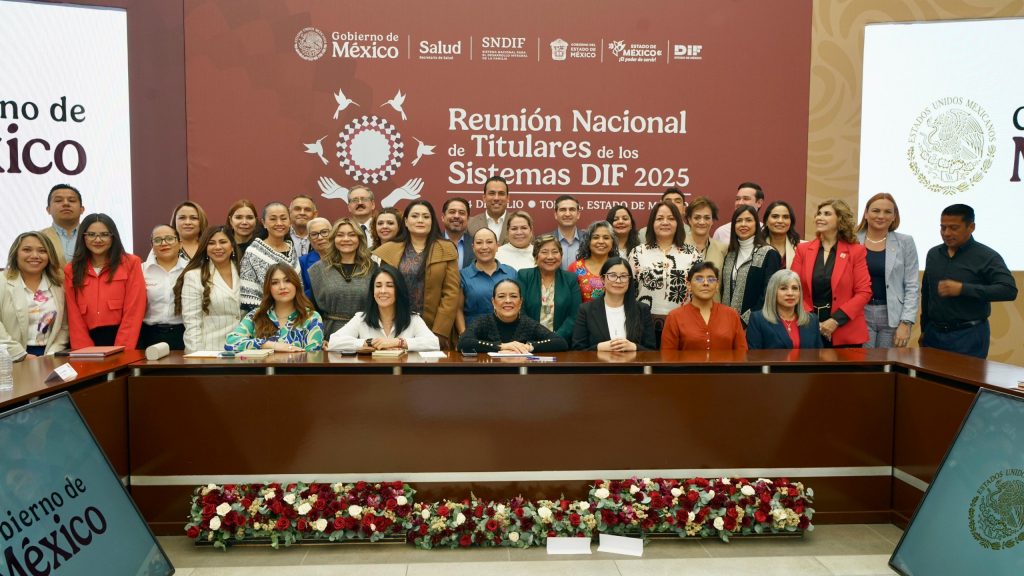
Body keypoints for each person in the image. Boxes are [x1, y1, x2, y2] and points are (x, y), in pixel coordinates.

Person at [920, 204, 1017, 359]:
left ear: (971, 227)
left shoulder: (987, 256)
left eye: (953, 228)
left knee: (963, 376)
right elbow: (927, 293)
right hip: (933, 334)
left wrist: (963, 289)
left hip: (969, 336)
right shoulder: (933, 254)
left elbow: (1009, 290)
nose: (946, 233)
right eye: (943, 228)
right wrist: (924, 329)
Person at [374, 200, 460, 348]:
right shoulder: (390, 249)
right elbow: (384, 289)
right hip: (397, 325)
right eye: (415, 216)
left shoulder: (446, 248)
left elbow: (451, 293)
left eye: (426, 216)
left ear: (432, 222)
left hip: (434, 327)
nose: (420, 220)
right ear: (406, 222)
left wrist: (439, 331)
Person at [792, 199, 871, 348]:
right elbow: (793, 288)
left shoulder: (856, 251)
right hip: (809, 326)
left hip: (845, 329)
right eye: (819, 213)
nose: (819, 217)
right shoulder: (803, 250)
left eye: (827, 214)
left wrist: (835, 320)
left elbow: (864, 292)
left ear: (840, 219)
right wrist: (813, 321)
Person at [64, 213, 146, 349]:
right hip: (87, 340)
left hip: (125, 338)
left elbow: (134, 309)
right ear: (83, 237)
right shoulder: (71, 269)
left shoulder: (131, 263)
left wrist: (123, 349)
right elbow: (73, 315)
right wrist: (85, 351)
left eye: (104, 234)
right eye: (91, 235)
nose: (98, 240)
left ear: (113, 237)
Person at [629, 201, 700, 343]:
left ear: (678, 223)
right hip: (643, 324)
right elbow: (630, 289)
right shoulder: (638, 252)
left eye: (671, 218)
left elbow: (698, 291)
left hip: (683, 324)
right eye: (660, 218)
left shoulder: (692, 253)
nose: (665, 222)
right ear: (652, 223)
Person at [326, 264, 440, 352]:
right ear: (373, 291)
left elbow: (434, 343)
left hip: (403, 373)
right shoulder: (361, 318)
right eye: (378, 286)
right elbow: (334, 342)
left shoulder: (413, 319)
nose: (383, 291)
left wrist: (397, 342)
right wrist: (368, 343)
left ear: (399, 290)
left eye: (389, 286)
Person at [855, 193, 919, 348]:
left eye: (887, 212)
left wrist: (906, 322)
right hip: (859, 314)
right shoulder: (852, 239)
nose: (881, 216)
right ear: (866, 213)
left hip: (893, 317)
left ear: (894, 216)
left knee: (887, 362)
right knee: (862, 361)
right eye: (876, 211)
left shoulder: (905, 242)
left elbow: (912, 286)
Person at [225, 263, 324, 352]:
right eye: (275, 283)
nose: (282, 287)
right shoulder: (256, 315)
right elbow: (231, 342)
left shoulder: (311, 318)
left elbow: (313, 356)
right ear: (269, 288)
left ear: (296, 284)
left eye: (287, 281)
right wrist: (270, 345)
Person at [0, 232, 69, 360]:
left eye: (42, 251)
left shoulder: (59, 285)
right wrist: (21, 355)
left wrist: (50, 355)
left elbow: (64, 327)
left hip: (49, 356)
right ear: (15, 253)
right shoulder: (2, 282)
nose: (35, 256)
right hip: (8, 357)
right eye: (27, 250)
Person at [175, 226, 241, 353]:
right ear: (205, 247)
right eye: (211, 243)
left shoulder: (244, 272)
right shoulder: (194, 276)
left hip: (244, 351)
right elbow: (192, 323)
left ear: (232, 246)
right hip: (210, 351)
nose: (217, 247)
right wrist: (197, 356)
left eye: (223, 242)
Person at [307, 218, 378, 335]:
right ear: (333, 239)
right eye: (340, 235)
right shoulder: (318, 269)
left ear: (359, 239)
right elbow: (313, 310)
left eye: (352, 235)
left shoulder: (372, 268)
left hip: (364, 332)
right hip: (329, 334)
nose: (346, 239)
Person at [458, 279, 568, 353]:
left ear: (520, 302)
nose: (508, 301)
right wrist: (501, 346)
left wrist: (528, 347)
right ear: (493, 302)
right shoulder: (482, 322)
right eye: (501, 296)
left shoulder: (528, 324)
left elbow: (560, 342)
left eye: (513, 296)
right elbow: (463, 342)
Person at [571, 257, 656, 351]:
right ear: (602, 279)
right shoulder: (586, 310)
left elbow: (651, 351)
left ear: (629, 280)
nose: (618, 281)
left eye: (623, 276)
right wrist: (598, 348)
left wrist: (634, 347)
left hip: (633, 361)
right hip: (598, 360)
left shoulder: (642, 309)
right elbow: (577, 350)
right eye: (612, 275)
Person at [661, 262, 747, 351]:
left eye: (711, 279)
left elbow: (742, 353)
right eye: (699, 279)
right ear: (689, 285)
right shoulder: (675, 317)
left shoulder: (731, 315)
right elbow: (668, 356)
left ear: (717, 285)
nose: (706, 283)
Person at [720, 206, 782, 325]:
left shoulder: (769, 253)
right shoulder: (730, 254)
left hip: (756, 324)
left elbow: (770, 293)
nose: (743, 224)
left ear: (756, 224)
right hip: (726, 323)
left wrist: (745, 321)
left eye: (748, 220)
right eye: (739, 221)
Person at [517, 235, 581, 343]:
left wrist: (554, 339)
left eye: (555, 252)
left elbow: (574, 315)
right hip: (529, 342)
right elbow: (520, 311)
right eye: (544, 252)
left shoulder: (570, 279)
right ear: (536, 256)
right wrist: (536, 338)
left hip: (561, 342)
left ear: (561, 255)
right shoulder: (524, 276)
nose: (550, 257)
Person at [239, 202, 300, 311]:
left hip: (294, 313)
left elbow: (299, 286)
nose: (279, 223)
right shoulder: (253, 252)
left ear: (290, 221)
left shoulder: (291, 249)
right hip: (264, 315)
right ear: (264, 223)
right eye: (273, 219)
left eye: (283, 218)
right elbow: (249, 294)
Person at [457, 227, 517, 334]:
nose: (484, 247)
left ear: (497, 246)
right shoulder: (463, 276)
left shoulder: (511, 273)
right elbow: (458, 310)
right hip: (475, 335)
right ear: (473, 247)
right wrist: (464, 335)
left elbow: (519, 306)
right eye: (479, 243)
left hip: (508, 334)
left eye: (489, 242)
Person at [746, 269, 823, 350]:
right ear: (773, 292)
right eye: (783, 288)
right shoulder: (758, 319)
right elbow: (754, 355)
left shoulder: (812, 320)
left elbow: (818, 354)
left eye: (795, 288)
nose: (790, 293)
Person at [139, 225, 187, 350]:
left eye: (169, 238)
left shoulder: (191, 270)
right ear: (152, 246)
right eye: (157, 240)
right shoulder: (141, 270)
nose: (164, 243)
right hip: (149, 334)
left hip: (182, 334)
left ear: (180, 244)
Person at [568, 220, 619, 303]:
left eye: (606, 238)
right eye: (596, 237)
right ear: (588, 242)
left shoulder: (620, 267)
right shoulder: (575, 268)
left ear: (612, 242)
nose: (601, 241)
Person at [41, 183, 84, 267]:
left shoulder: (94, 236)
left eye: (72, 200)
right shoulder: (39, 237)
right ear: (48, 209)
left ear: (81, 209)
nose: (66, 204)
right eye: (58, 200)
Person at [684, 196, 727, 275]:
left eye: (707, 218)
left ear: (712, 220)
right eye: (697, 218)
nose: (702, 222)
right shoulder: (678, 245)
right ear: (689, 220)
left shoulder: (722, 249)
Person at [467, 176, 510, 244]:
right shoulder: (469, 224)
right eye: (492, 193)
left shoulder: (519, 223)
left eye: (501, 193)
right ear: (484, 198)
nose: (496, 198)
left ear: (507, 198)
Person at [760, 200, 802, 269]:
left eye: (785, 217)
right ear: (766, 221)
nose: (780, 221)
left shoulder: (801, 247)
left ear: (791, 222)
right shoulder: (756, 247)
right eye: (775, 216)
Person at [299, 217, 333, 298]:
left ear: (332, 234)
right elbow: (301, 294)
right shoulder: (302, 262)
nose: (320, 238)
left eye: (324, 232)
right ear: (309, 239)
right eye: (314, 234)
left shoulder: (344, 257)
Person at [550, 195, 582, 270]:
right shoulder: (544, 240)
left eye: (572, 209)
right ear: (555, 215)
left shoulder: (589, 240)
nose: (567, 214)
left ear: (578, 214)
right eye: (563, 210)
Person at [442, 197, 472, 268]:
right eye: (452, 212)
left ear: (468, 219)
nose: (456, 216)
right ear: (443, 217)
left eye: (461, 213)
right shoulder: (432, 242)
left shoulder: (475, 244)